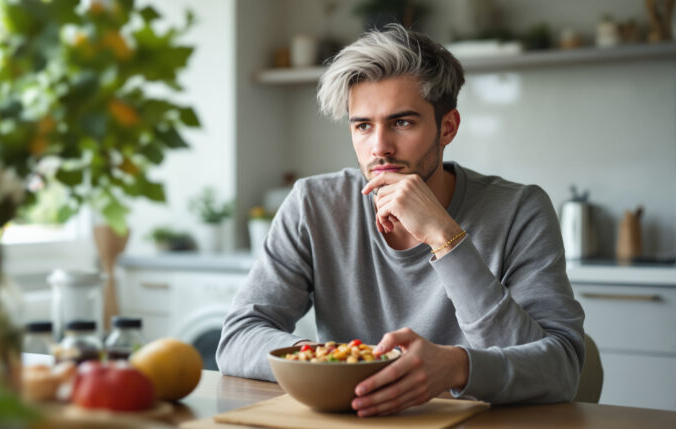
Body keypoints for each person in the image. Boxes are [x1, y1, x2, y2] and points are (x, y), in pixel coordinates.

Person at [216, 24, 585, 417]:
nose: (379, 148)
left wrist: (446, 240)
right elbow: (239, 337)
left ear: (447, 127)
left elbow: (559, 371)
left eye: (402, 122)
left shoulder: (520, 210)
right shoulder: (315, 205)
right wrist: (342, 362)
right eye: (363, 126)